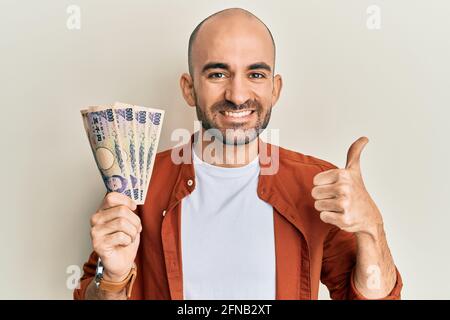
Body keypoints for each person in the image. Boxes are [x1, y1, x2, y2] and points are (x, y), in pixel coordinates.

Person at [75, 7, 402, 300]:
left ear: (275, 89)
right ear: (189, 89)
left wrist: (372, 228)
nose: (238, 94)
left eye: (255, 74)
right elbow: (93, 294)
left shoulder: (316, 185)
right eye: (218, 74)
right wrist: (114, 279)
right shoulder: (139, 183)